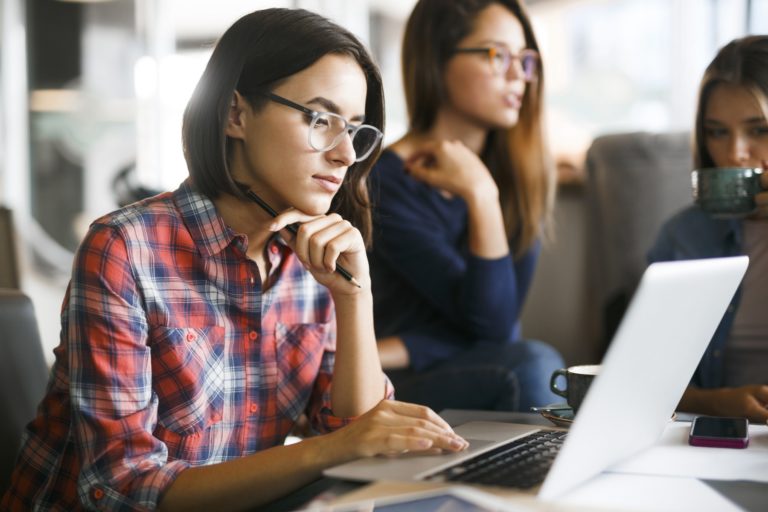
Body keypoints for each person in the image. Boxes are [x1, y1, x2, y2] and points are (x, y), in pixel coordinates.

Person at [1, 9, 469, 511]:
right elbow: (121, 489)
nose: (346, 155)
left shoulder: (312, 259)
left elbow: (358, 435)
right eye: (319, 119)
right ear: (236, 115)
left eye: (354, 130)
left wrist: (354, 297)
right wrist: (334, 448)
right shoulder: (124, 248)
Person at [368, 0, 564, 412]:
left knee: (536, 364)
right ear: (437, 59)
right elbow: (495, 327)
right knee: (534, 366)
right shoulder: (385, 182)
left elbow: (499, 324)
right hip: (393, 383)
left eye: (524, 59)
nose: (518, 76)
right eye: (497, 55)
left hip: (464, 360)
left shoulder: (522, 178)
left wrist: (404, 347)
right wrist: (481, 196)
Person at [648, 35, 768, 424]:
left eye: (759, 129)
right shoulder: (684, 238)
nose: (735, 153)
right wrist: (719, 404)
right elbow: (641, 383)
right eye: (718, 132)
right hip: (715, 438)